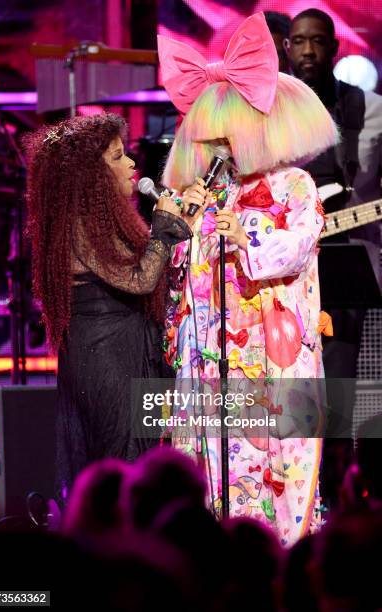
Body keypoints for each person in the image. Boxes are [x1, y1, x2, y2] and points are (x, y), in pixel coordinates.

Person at [158, 12, 338, 545]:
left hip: (270, 361)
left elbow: (295, 248)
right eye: (213, 139)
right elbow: (182, 284)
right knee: (217, 468)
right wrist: (178, 231)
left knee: (274, 472)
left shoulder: (294, 186)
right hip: (215, 367)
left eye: (229, 135)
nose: (222, 149)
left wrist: (247, 238)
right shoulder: (210, 192)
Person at [24, 113, 193, 508]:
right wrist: (163, 228)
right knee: (124, 464)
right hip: (107, 358)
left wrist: (179, 227)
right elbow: (138, 280)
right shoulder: (80, 224)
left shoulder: (102, 220)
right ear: (92, 175)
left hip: (121, 349)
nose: (132, 164)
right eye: (118, 157)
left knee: (138, 462)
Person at [285, 8, 382, 507]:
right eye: (298, 41)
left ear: (334, 48)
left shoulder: (370, 110)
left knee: (342, 386)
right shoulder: (271, 114)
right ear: (286, 48)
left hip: (351, 267)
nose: (307, 51)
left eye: (317, 42)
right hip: (284, 271)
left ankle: (339, 495)